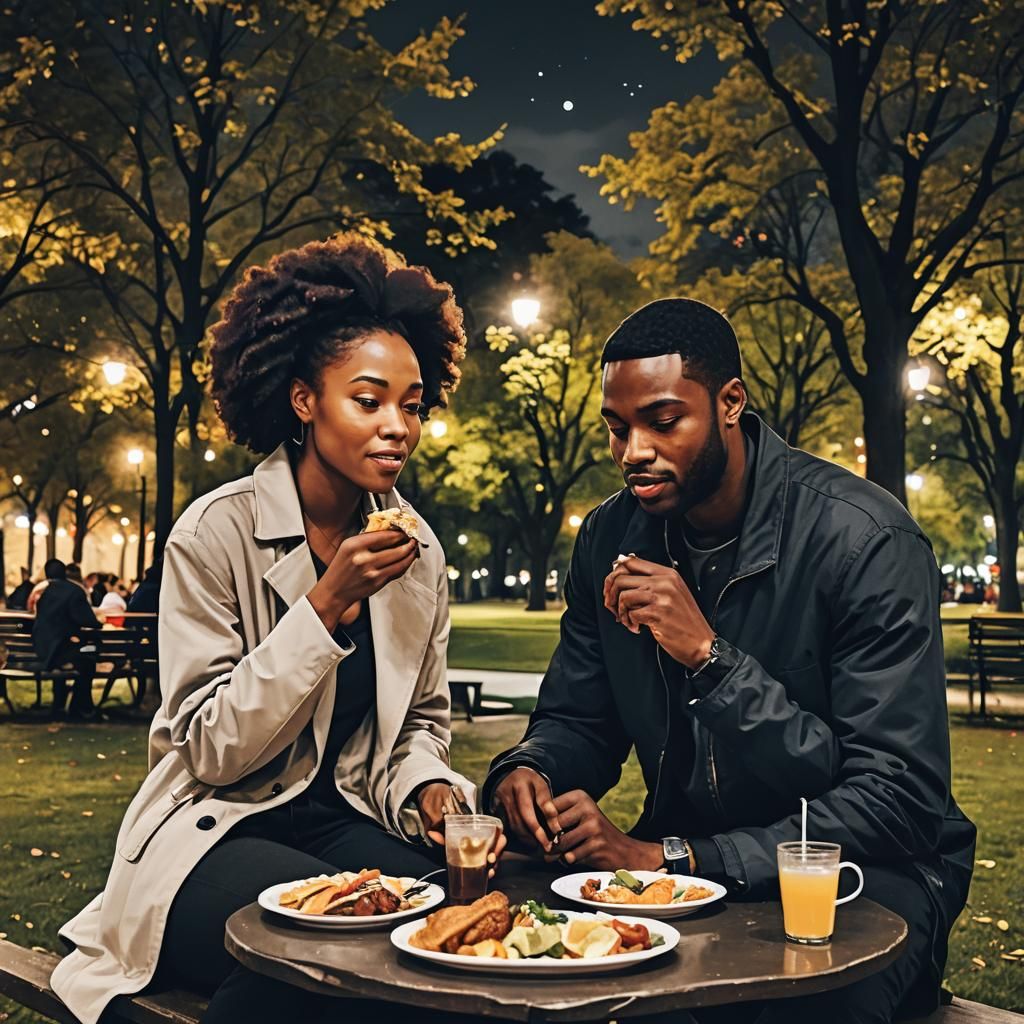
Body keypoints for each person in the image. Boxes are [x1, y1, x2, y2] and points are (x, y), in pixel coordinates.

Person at [485, 298, 975, 1024]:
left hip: (868, 878)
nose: (633, 453)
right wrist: (532, 771)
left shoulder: (865, 540)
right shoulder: (609, 539)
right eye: (617, 429)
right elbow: (578, 720)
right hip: (680, 872)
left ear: (729, 404)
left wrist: (709, 659)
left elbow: (896, 802)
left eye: (661, 421)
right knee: (522, 973)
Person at [52, 236, 499, 1024]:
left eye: (413, 403)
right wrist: (325, 606)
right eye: (369, 400)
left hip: (344, 824)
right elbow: (213, 751)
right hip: (213, 831)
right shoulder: (214, 533)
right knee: (319, 951)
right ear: (302, 401)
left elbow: (420, 726)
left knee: (453, 929)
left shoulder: (417, 551)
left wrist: (430, 788)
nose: (398, 426)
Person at [31, 558, 101, 719]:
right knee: (89, 657)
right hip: (62, 649)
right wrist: (98, 623)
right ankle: (81, 707)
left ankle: (59, 704)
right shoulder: (74, 591)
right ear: (65, 573)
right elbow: (88, 620)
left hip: (43, 649)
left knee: (75, 652)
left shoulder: (44, 593)